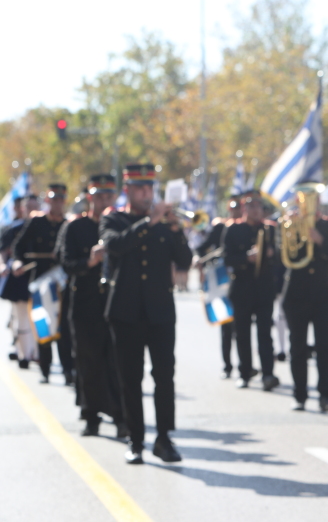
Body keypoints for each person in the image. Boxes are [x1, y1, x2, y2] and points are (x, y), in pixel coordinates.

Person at [100, 163, 193, 464]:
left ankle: (164, 438)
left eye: (150, 188)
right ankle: (136, 440)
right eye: (140, 188)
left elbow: (185, 261)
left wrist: (178, 232)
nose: (146, 193)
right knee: (130, 378)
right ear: (127, 190)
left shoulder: (166, 224)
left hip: (160, 312)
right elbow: (115, 246)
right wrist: (149, 223)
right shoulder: (113, 219)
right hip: (125, 312)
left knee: (164, 377)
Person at [57, 174, 126, 437]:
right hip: (85, 303)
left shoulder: (120, 225)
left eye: (109, 196)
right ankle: (91, 415)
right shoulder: (75, 228)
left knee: (117, 362)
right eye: (99, 197)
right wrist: (89, 262)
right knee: (88, 361)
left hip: (116, 301)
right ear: (90, 198)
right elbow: (65, 263)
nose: (104, 201)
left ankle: (121, 416)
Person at [282, 183, 328, 412]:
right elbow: (283, 257)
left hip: (321, 295)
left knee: (324, 348)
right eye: (303, 198)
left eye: (311, 198)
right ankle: (299, 395)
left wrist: (320, 241)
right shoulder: (290, 224)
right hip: (296, 295)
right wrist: (290, 229)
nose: (307, 202)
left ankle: (326, 397)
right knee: (297, 347)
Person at [12, 183, 71, 384]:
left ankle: (68, 371)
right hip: (40, 281)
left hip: (62, 283)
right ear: (48, 200)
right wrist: (18, 261)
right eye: (53, 199)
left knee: (64, 328)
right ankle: (45, 369)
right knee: (43, 326)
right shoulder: (36, 222)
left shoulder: (68, 223)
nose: (57, 204)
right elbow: (18, 246)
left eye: (61, 200)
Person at [222, 189, 279, 391]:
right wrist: (246, 258)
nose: (257, 210)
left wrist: (271, 253)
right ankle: (244, 372)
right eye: (252, 206)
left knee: (265, 333)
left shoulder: (271, 229)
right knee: (243, 333)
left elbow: (280, 258)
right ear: (245, 207)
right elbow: (227, 258)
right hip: (242, 288)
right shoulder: (233, 229)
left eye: (259, 206)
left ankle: (268, 373)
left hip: (264, 288)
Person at [196, 194, 242, 379]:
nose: (236, 210)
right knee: (226, 324)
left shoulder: (249, 228)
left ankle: (244, 366)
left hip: (241, 283)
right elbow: (202, 249)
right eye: (232, 206)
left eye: (239, 206)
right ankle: (227, 365)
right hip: (222, 283)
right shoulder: (221, 227)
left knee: (242, 327)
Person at [1, 196, 35, 367]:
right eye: (28, 207)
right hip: (19, 278)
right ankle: (24, 354)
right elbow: (4, 252)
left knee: (37, 318)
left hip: (39, 278)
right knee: (21, 316)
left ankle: (35, 352)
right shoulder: (14, 229)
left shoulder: (43, 227)